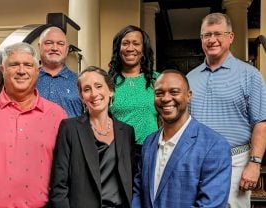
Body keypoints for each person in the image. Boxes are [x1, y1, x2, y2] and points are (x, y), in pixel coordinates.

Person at [0, 42, 66, 207]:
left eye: (28, 65)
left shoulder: (57, 115)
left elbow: (66, 173)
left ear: (37, 70)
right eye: (13, 65)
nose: (21, 71)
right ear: (2, 70)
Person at [187, 13, 266, 207]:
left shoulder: (250, 75)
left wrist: (254, 164)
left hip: (236, 161)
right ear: (201, 39)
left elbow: (261, 123)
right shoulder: (189, 78)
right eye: (207, 35)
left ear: (230, 37)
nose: (212, 39)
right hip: (197, 162)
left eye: (218, 34)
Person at [132, 70, 232, 207]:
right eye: (159, 93)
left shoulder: (214, 145)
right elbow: (138, 193)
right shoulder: (149, 142)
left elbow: (210, 204)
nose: (166, 98)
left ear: (188, 96)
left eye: (174, 92)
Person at [49, 66, 135, 208]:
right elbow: (59, 186)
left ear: (111, 90)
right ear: (82, 97)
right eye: (87, 89)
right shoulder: (69, 128)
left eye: (99, 86)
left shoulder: (126, 132)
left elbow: (131, 180)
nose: (94, 94)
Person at [108, 25, 159, 167]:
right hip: (117, 152)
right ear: (118, 49)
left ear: (143, 50)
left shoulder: (157, 80)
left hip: (150, 150)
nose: (130, 48)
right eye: (125, 43)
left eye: (136, 43)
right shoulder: (107, 82)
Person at [37, 26, 83, 117]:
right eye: (49, 43)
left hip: (71, 131)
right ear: (39, 46)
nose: (55, 48)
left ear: (66, 49)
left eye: (60, 44)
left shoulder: (80, 81)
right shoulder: (27, 80)